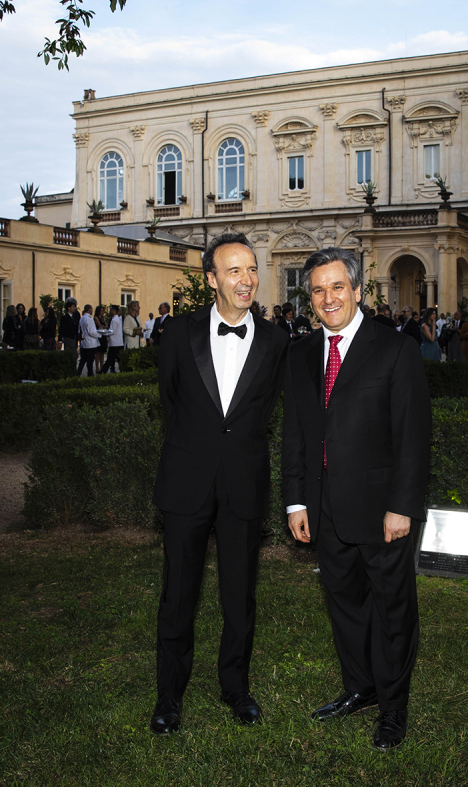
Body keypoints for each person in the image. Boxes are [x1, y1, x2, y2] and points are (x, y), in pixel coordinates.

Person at [282, 247, 431, 751]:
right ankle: (360, 687)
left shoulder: (394, 349)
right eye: (318, 290)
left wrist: (402, 506)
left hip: (381, 509)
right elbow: (296, 434)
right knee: (344, 605)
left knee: (392, 611)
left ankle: (393, 707)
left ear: (358, 290)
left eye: (337, 287)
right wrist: (295, 502)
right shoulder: (300, 353)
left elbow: (413, 436)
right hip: (323, 508)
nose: (328, 298)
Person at [151, 232, 288, 736]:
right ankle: (169, 695)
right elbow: (171, 402)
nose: (246, 280)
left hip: (243, 484)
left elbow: (267, 407)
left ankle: (235, 686)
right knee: (178, 594)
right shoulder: (178, 333)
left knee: (239, 594)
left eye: (251, 269)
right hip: (187, 479)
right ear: (211, 279)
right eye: (234, 271)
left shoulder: (276, 341)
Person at [78, 305, 109, 377]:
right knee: (90, 360)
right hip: (90, 343)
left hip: (84, 343)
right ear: (89, 310)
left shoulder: (82, 318)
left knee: (83, 360)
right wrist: (99, 334)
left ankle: (78, 373)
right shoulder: (90, 319)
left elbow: (80, 330)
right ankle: (90, 374)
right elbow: (91, 332)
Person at [102, 305, 124, 373]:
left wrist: (104, 333)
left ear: (114, 310)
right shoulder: (117, 319)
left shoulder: (115, 320)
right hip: (117, 342)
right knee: (111, 359)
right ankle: (104, 370)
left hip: (115, 343)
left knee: (112, 359)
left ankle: (104, 371)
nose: (110, 311)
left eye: (111, 310)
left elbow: (112, 331)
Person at [94, 306, 108, 372]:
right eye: (101, 311)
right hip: (99, 336)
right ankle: (97, 367)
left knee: (102, 352)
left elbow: (105, 324)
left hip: (103, 336)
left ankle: (102, 367)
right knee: (98, 353)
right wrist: (106, 327)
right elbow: (99, 325)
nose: (102, 312)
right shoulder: (96, 318)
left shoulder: (103, 318)